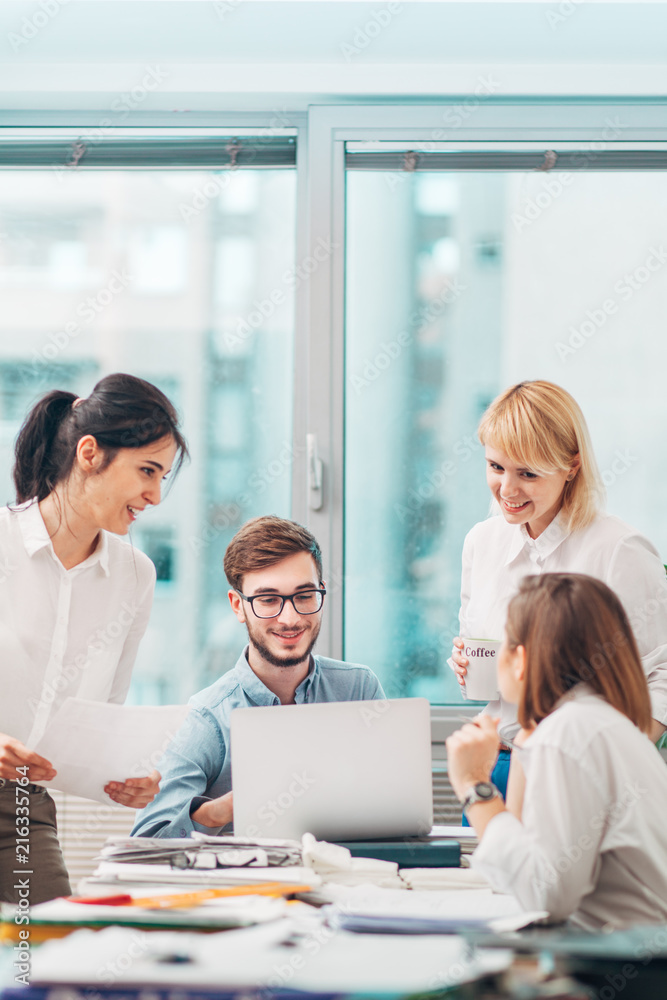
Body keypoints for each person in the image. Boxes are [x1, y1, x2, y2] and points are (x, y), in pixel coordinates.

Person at [0, 372, 187, 904]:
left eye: (162, 477)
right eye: (146, 471)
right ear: (89, 453)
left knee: (45, 957)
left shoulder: (136, 576)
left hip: (20, 808)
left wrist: (129, 779)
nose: (154, 495)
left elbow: (102, 720)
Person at [451, 380, 667, 801]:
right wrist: (466, 664)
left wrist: (616, 768)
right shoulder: (482, 541)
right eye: (496, 467)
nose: (507, 490)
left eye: (528, 474)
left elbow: (662, 676)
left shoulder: (619, 551)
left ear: (571, 466)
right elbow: (490, 669)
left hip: (581, 773)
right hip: (497, 761)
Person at [132, 515, 385, 838]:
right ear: (238, 606)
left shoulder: (358, 689)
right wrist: (216, 813)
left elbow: (389, 807)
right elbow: (148, 840)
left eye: (304, 596)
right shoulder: (208, 718)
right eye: (268, 600)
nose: (290, 618)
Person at [446, 573, 667, 931]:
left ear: (520, 658)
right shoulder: (596, 723)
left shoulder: (568, 733)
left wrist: (474, 785)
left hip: (631, 968)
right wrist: (522, 735)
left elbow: (546, 896)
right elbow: (524, 866)